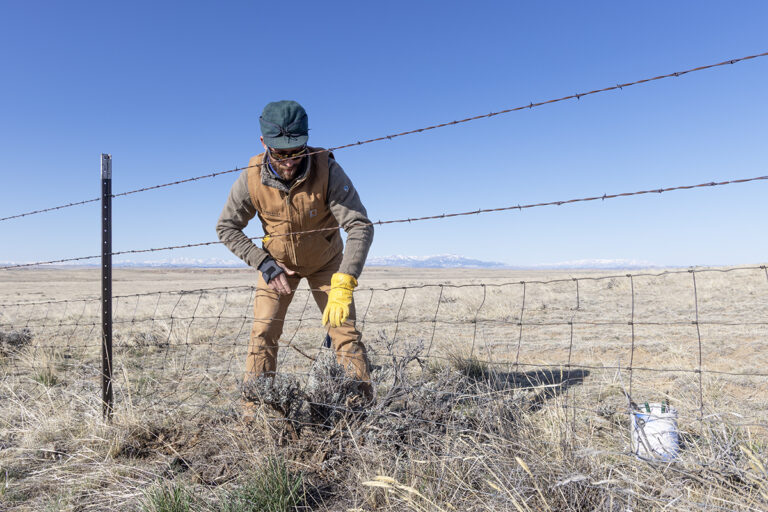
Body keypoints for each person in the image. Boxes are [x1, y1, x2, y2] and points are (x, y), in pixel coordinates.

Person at [216, 100, 374, 405]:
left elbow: (359, 226)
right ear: (264, 143)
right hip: (278, 267)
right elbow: (226, 227)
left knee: (345, 334)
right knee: (262, 335)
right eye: (280, 153)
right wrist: (264, 264)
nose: (289, 162)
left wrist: (345, 280)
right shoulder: (251, 178)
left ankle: (362, 413)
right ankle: (258, 416)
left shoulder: (326, 168)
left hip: (326, 264)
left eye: (296, 151)